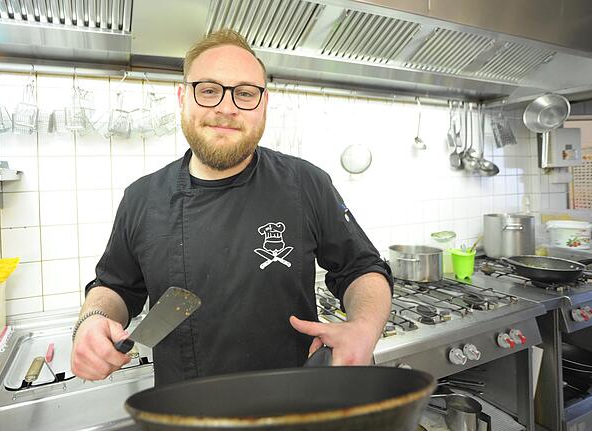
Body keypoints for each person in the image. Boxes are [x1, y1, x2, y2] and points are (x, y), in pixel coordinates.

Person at [71, 29, 393, 386]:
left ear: (264, 104)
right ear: (183, 97)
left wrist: (364, 328)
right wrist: (93, 318)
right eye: (208, 90)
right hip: (185, 413)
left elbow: (361, 267)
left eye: (244, 93)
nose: (226, 108)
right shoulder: (141, 197)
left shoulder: (306, 183)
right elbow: (114, 288)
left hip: (296, 405)